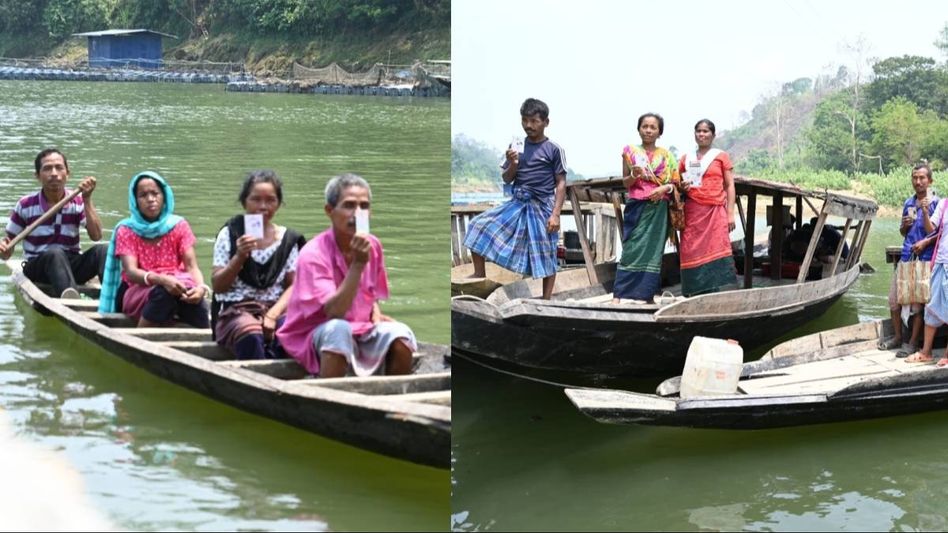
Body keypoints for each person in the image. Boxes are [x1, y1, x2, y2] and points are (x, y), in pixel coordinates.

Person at [276, 173, 416, 378]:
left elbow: (371, 294)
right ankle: (331, 398)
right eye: (349, 205)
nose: (357, 213)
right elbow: (334, 312)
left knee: (400, 334)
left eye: (364, 206)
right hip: (314, 332)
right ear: (330, 211)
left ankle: (396, 396)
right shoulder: (313, 253)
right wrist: (358, 264)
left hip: (360, 327)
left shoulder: (373, 245)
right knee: (338, 330)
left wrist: (375, 315)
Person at [463, 98, 567, 300]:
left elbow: (561, 183)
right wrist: (513, 163)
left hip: (542, 206)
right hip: (517, 203)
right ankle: (479, 273)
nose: (529, 125)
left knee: (546, 251)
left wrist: (556, 215)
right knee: (478, 225)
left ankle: (546, 299)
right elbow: (507, 178)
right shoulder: (516, 146)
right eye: (525, 120)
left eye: (534, 121)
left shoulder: (554, 149)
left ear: (546, 122)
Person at [211, 170, 305, 360]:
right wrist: (240, 256)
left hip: (275, 308)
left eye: (270, 200)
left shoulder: (289, 240)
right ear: (245, 201)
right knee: (251, 333)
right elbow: (219, 286)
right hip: (236, 309)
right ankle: (256, 382)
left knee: (295, 331)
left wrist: (272, 315)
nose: (263, 206)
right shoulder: (230, 233)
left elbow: (293, 286)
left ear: (278, 203)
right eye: (255, 199)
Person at [97, 171, 210, 328]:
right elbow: (131, 272)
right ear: (135, 201)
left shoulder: (179, 225)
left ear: (164, 197)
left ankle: (204, 338)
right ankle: (139, 338)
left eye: (155, 193)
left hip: (177, 285)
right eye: (143, 195)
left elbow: (192, 267)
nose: (150, 199)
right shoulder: (126, 229)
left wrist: (200, 289)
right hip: (138, 289)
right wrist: (162, 280)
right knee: (163, 294)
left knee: (194, 300)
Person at [0, 148, 107, 298]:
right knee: (55, 253)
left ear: (67, 174)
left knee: (103, 250)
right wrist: (4, 249)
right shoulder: (25, 205)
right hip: (38, 268)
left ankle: (113, 294)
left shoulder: (77, 201)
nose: (54, 173)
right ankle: (70, 298)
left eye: (59, 168)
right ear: (38, 176)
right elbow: (7, 250)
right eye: (47, 169)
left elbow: (96, 236)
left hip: (71, 265)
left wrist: (87, 200)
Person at [612, 113, 681, 303]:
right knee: (631, 249)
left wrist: (663, 188)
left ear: (660, 132)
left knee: (654, 253)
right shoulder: (629, 151)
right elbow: (626, 183)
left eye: (653, 127)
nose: (649, 130)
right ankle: (618, 295)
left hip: (659, 209)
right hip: (637, 207)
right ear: (639, 129)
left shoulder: (667, 156)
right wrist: (634, 175)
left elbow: (676, 183)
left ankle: (647, 295)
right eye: (645, 126)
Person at [677, 119, 737, 296]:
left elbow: (730, 185)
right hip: (693, 210)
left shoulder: (721, 156)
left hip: (715, 210)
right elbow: (678, 183)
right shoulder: (686, 159)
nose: (702, 134)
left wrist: (730, 214)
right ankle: (693, 290)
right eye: (699, 131)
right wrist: (683, 186)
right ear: (694, 134)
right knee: (691, 248)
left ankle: (714, 290)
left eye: (706, 131)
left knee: (716, 246)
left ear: (713, 135)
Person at [895, 164, 946, 364]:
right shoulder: (910, 202)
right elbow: (908, 231)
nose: (918, 181)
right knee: (899, 300)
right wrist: (905, 225)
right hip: (909, 255)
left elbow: (936, 234)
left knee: (919, 303)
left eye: (922, 178)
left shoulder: (937, 202)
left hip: (927, 259)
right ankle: (903, 339)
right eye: (915, 178)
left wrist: (925, 242)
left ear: (930, 181)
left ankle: (915, 343)